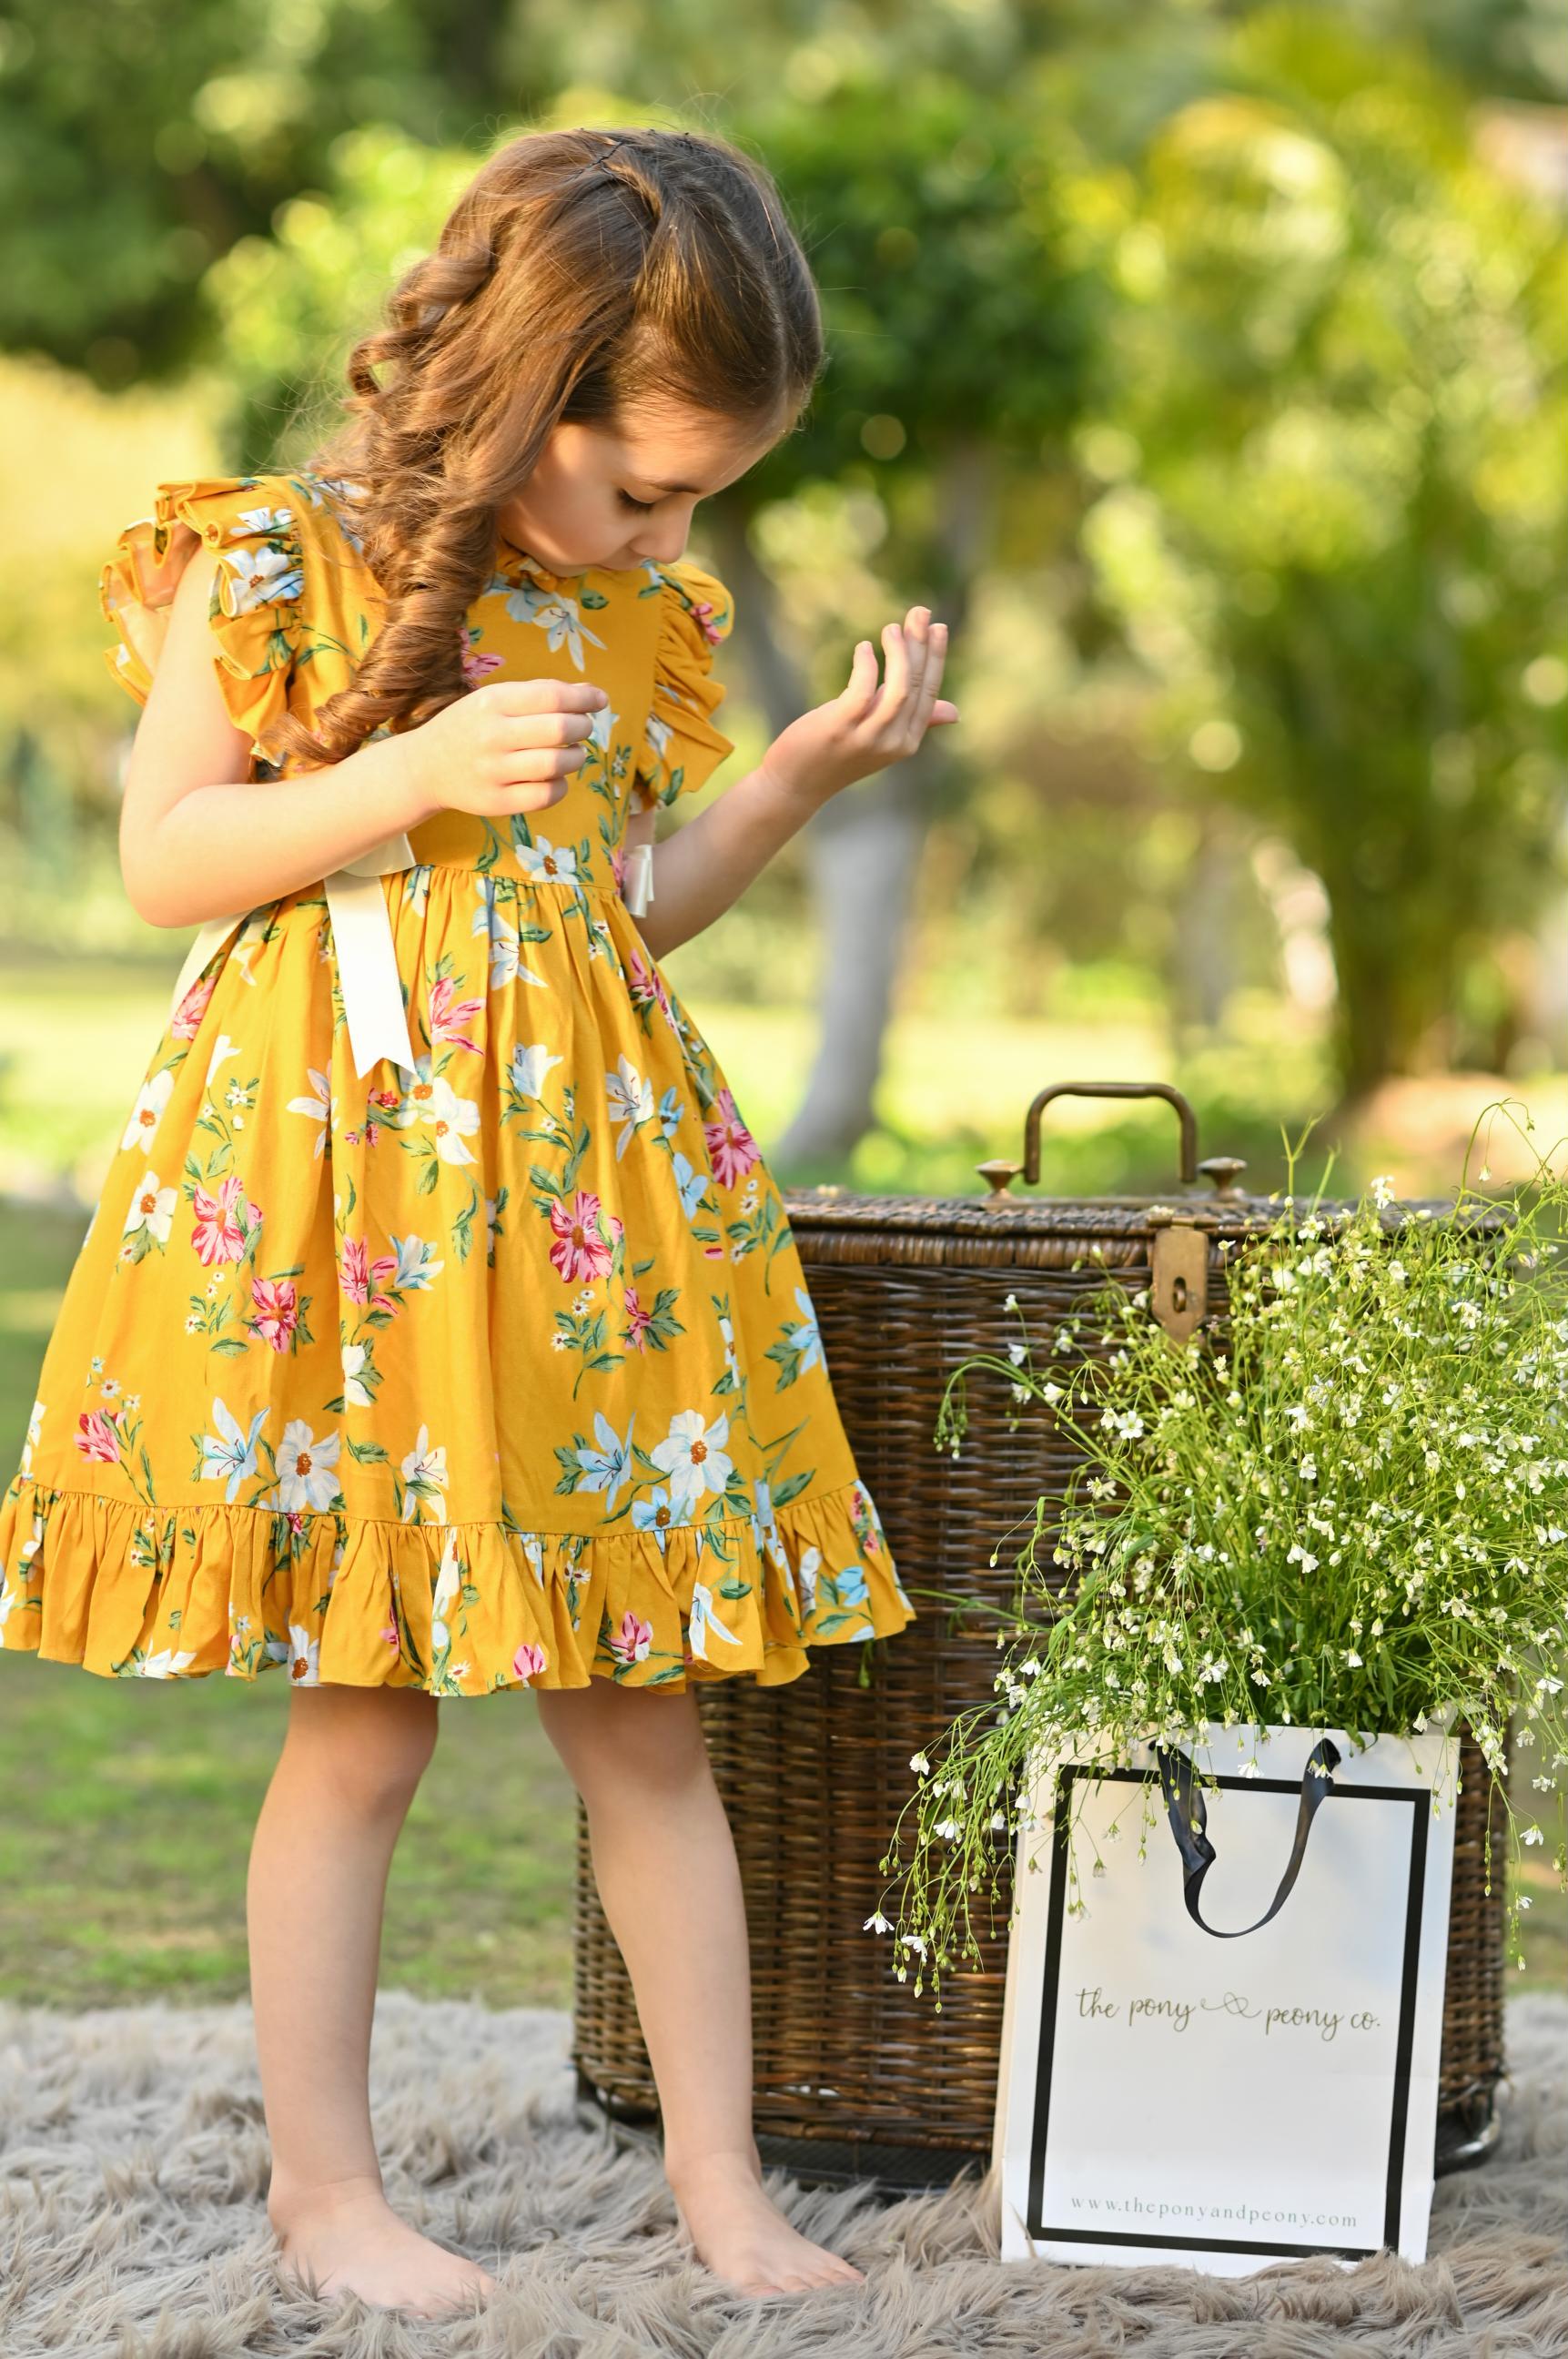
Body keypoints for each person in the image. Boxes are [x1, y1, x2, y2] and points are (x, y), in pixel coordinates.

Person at [0, 123, 957, 2317]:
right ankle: (323, 2199)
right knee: (368, 1711)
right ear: (531, 398)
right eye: (646, 486)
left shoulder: (633, 622)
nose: (671, 531)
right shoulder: (277, 565)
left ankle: (719, 2187)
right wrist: (400, 779)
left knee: (641, 1711)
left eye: (700, 498)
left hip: (587, 1229)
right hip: (350, 1212)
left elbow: (626, 913)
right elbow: (164, 860)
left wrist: (790, 780)